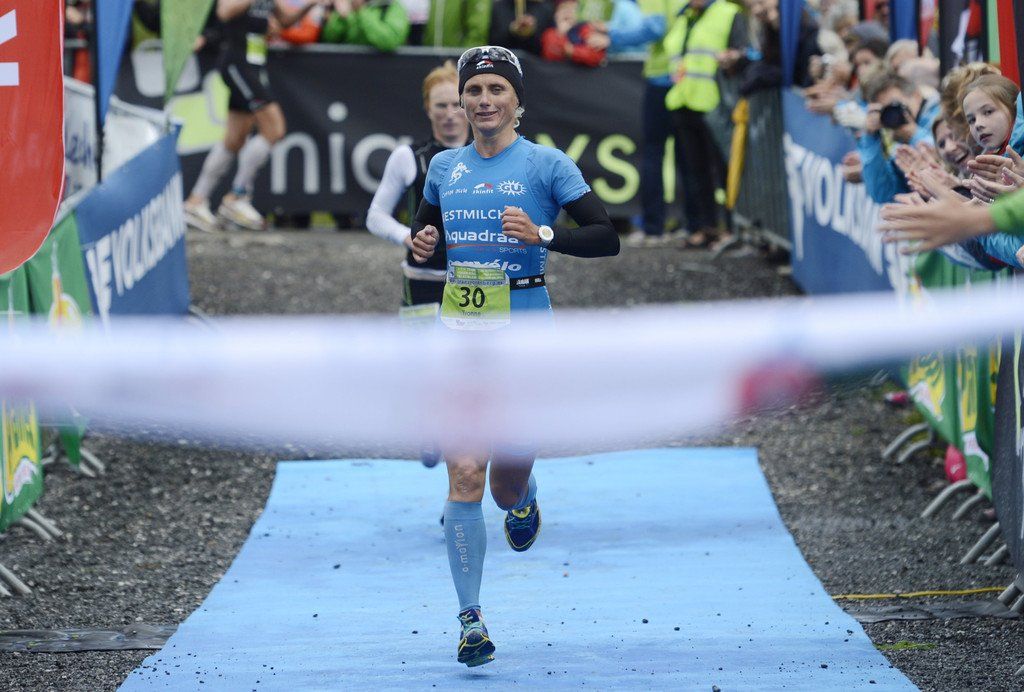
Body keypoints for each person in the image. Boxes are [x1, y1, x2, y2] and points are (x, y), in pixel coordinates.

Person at [408, 45, 619, 667]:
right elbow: (426, 232)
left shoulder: (547, 164)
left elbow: (606, 237)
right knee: (465, 472)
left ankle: (523, 495)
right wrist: (423, 241)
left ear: (517, 101)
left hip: (526, 331)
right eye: (474, 90)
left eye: (496, 89)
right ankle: (470, 620)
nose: (483, 100)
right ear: (462, 100)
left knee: (502, 485)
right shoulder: (444, 167)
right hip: (460, 334)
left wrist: (544, 233)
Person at [183, 0, 329, 233]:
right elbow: (224, 11)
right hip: (237, 63)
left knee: (234, 139)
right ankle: (237, 197)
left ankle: (196, 201)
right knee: (274, 129)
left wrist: (310, 4)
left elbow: (284, 20)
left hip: (254, 65)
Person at [664, 0, 747, 248]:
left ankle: (731, 228)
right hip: (684, 102)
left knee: (724, 170)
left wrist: (733, 58)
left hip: (716, 107)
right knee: (694, 172)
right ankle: (705, 227)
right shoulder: (685, 16)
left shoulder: (729, 13)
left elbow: (743, 54)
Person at [319, 0, 409, 49]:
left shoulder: (391, 6)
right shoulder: (349, 4)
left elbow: (390, 41)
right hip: (348, 69)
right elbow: (328, 39)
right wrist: (341, 18)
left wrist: (361, 11)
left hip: (384, 71)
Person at [540, 0, 607, 67]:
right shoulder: (550, 33)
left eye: (573, 9)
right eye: (564, 9)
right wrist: (561, 33)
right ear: (556, 15)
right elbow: (550, 56)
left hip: (580, 71)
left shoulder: (585, 30)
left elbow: (595, 56)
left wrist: (571, 50)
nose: (568, 13)